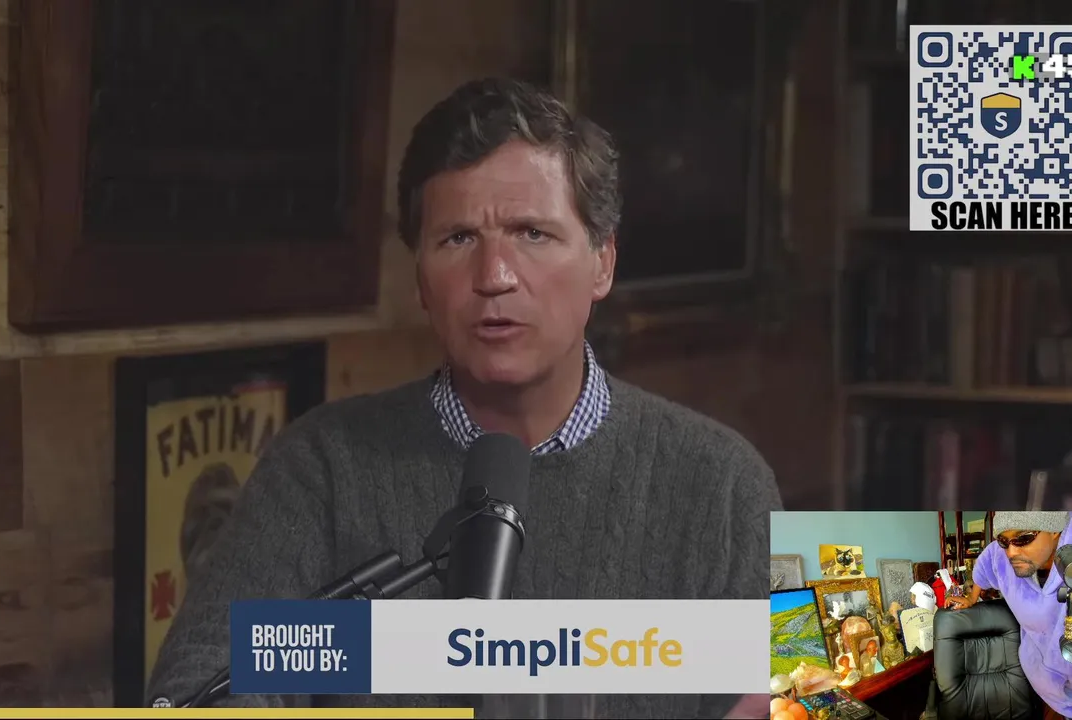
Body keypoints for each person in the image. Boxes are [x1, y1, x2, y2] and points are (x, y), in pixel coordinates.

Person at [145, 78, 782, 718]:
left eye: (532, 233)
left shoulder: (730, 481)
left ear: (603, 263)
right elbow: (194, 686)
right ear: (421, 280)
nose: (494, 277)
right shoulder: (319, 467)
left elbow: (838, 690)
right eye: (458, 239)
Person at [945, 511, 1072, 720]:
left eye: (1023, 538)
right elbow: (987, 563)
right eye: (1003, 541)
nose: (1011, 552)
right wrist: (972, 597)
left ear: (1054, 529)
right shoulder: (1004, 553)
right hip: (1048, 694)